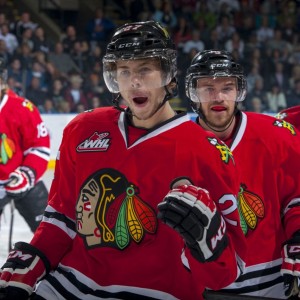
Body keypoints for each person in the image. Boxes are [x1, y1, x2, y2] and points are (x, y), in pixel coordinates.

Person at [0, 21, 246, 300]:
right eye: (124, 71)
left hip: (160, 293)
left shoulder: (210, 152)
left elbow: (228, 274)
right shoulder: (82, 129)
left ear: (168, 74)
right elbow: (62, 218)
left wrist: (208, 244)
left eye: (145, 70)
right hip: (68, 286)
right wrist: (34, 261)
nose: (134, 82)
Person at [185, 49, 300, 299]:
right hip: (200, 286)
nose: (218, 96)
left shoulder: (276, 136)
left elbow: (296, 198)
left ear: (239, 91)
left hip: (272, 284)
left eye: (227, 87)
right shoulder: (177, 144)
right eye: (207, 88)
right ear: (193, 94)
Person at [0, 57, 50, 233]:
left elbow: (39, 147)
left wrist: (28, 174)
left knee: (52, 232)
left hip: (23, 178)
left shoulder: (22, 107)